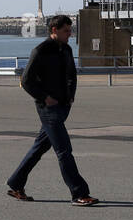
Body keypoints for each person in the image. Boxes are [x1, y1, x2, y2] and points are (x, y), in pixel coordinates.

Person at [6, 15, 99, 206]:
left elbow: (72, 74)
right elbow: (26, 81)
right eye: (66, 30)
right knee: (64, 150)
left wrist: (71, 94)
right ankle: (79, 193)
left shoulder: (65, 49)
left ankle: (16, 183)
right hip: (48, 109)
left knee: (38, 148)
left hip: (63, 106)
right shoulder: (40, 51)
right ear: (54, 30)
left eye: (70, 30)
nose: (70, 34)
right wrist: (44, 98)